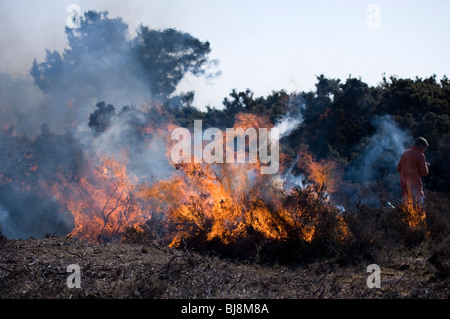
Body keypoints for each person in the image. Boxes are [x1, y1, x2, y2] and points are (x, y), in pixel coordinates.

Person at [396, 137, 430, 205]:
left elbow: (398, 168)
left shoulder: (405, 153)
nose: (424, 150)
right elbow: (424, 172)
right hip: (414, 183)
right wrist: (425, 165)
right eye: (424, 148)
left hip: (403, 182)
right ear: (421, 146)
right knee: (418, 204)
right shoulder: (420, 155)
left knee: (406, 204)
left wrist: (405, 174)